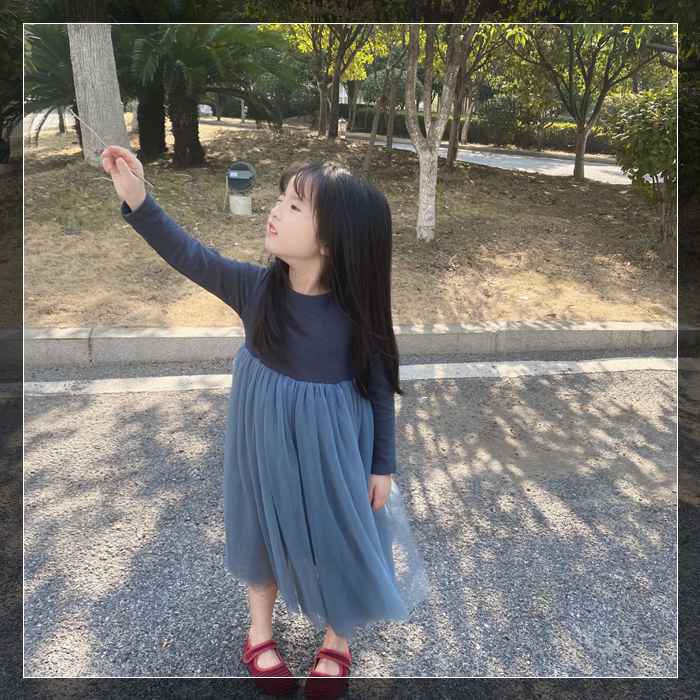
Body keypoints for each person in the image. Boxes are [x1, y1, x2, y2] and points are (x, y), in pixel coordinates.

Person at [102, 145, 429, 697]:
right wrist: (137, 197)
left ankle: (338, 637)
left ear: (333, 240)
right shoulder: (256, 290)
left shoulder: (358, 314)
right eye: (281, 197)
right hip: (262, 441)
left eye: (295, 206)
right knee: (258, 526)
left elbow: (379, 390)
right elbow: (188, 254)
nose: (276, 210)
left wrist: (382, 465)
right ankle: (259, 632)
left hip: (334, 449)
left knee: (339, 533)